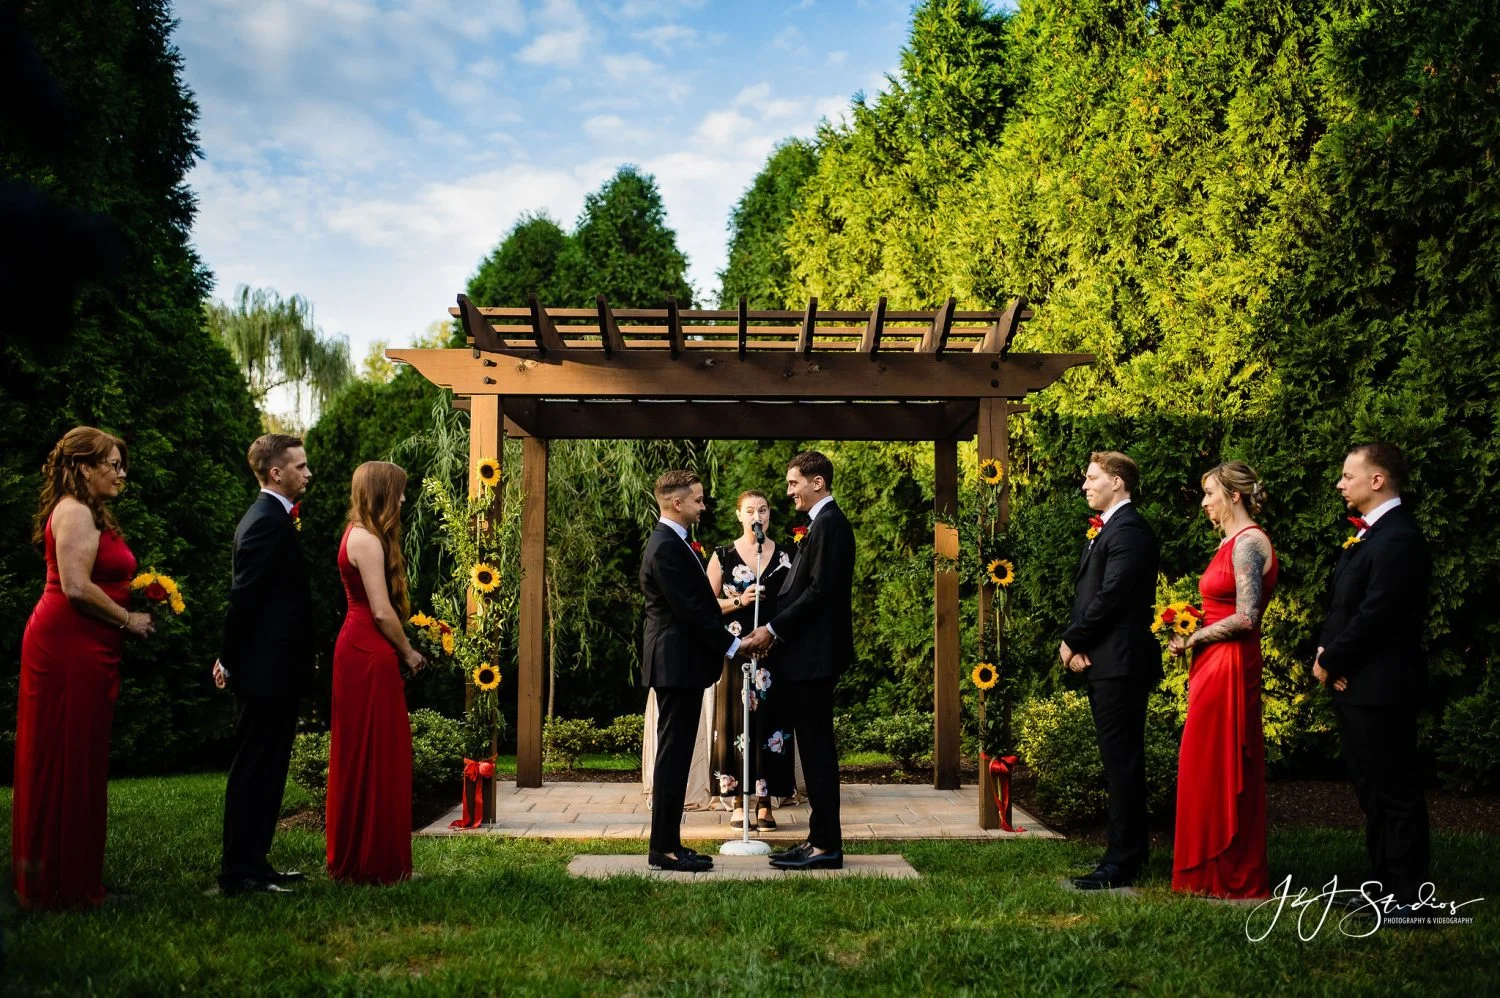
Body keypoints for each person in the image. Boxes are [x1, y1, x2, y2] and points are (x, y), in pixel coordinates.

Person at [13, 427, 153, 909]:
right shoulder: (72, 510)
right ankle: (61, 885)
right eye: (112, 464)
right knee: (65, 755)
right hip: (67, 644)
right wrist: (129, 619)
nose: (121, 473)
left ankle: (73, 876)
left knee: (83, 757)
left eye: (121, 464)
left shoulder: (89, 510)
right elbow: (75, 586)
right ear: (83, 467)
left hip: (89, 643)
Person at [1314, 443, 1432, 909]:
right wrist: (1327, 653)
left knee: (1395, 791)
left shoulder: (1399, 538)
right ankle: (1381, 887)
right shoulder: (1370, 535)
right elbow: (1342, 606)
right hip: (1356, 682)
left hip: (1383, 685)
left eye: (1348, 476)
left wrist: (1333, 660)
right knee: (1372, 793)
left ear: (1377, 480)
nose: (1340, 484)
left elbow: (1378, 614)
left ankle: (1409, 895)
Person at [741, 451, 856, 871]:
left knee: (818, 752)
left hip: (816, 658)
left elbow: (819, 592)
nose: (789, 491)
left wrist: (772, 630)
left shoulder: (831, 525)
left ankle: (826, 846)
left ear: (817, 482)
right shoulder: (819, 524)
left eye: (794, 483)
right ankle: (816, 840)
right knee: (812, 749)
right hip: (806, 657)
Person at [212, 434, 314, 896]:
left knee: (269, 771)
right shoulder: (265, 523)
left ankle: (256, 863)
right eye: (300, 466)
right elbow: (243, 599)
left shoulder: (274, 518)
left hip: (275, 669)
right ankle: (239, 872)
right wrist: (229, 660)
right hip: (263, 671)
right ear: (276, 472)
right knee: (255, 769)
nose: (308, 473)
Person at [1170, 462, 1277, 899]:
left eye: (1210, 493)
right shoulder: (1230, 542)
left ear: (1235, 495)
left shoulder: (1249, 542)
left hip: (1230, 665)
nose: (1204, 502)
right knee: (1203, 763)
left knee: (1221, 762)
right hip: (1212, 663)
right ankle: (1203, 870)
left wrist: (1194, 636)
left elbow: (1247, 617)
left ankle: (1229, 872)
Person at [1060, 451, 1160, 891]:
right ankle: (1127, 850)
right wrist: (1082, 647)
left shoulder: (1130, 530)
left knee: (1122, 764)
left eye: (1092, 477)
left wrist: (1073, 640)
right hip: (1105, 658)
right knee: (1116, 760)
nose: (1085, 485)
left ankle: (1123, 860)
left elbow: (1113, 595)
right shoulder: (1107, 528)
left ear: (1117, 482)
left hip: (1122, 662)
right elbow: (1090, 596)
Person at [325, 462, 425, 884]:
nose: (402, 499)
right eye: (398, 491)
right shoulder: (367, 540)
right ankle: (375, 862)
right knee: (377, 753)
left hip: (358, 647)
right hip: (368, 650)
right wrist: (409, 653)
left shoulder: (357, 533)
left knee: (364, 752)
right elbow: (382, 612)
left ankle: (365, 857)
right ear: (382, 492)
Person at [640, 470, 740, 871]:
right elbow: (692, 611)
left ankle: (672, 844)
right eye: (698, 500)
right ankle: (663, 849)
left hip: (681, 664)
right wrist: (733, 645)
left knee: (678, 755)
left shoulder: (675, 542)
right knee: (673, 756)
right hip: (675, 664)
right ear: (677, 503)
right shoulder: (666, 546)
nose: (703, 506)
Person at [707, 489, 796, 831]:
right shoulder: (722, 555)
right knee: (737, 722)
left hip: (774, 652)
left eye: (763, 510)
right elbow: (704, 605)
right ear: (738, 515)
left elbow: (797, 602)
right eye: (749, 511)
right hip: (737, 651)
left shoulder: (788, 554)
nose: (757, 516)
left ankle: (765, 802)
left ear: (769, 515)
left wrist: (776, 634)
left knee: (772, 722)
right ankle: (738, 800)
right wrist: (739, 602)